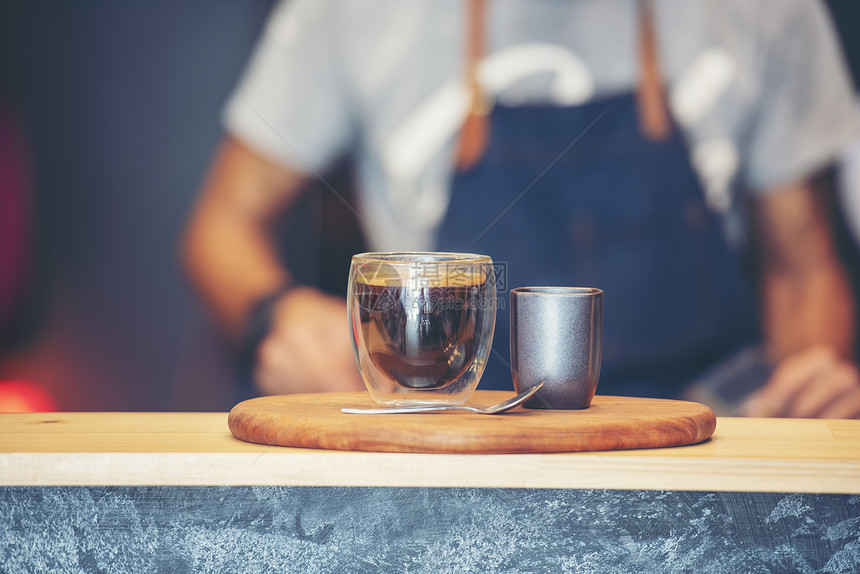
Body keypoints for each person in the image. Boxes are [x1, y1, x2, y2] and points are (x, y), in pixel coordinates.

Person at [183, 0, 860, 418]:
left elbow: (803, 267)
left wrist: (807, 387)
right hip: (449, 458)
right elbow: (222, 227)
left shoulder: (772, 10)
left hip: (695, 452)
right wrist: (281, 314)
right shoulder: (348, 12)